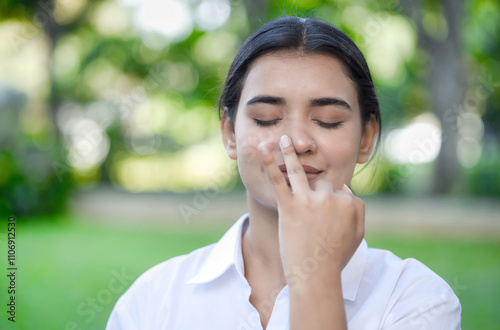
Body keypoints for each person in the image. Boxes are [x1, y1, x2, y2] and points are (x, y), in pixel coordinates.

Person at [106, 16, 461, 329]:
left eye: (328, 121)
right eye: (267, 119)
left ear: (366, 137)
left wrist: (315, 276)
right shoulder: (153, 301)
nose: (297, 142)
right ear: (229, 132)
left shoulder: (419, 302)